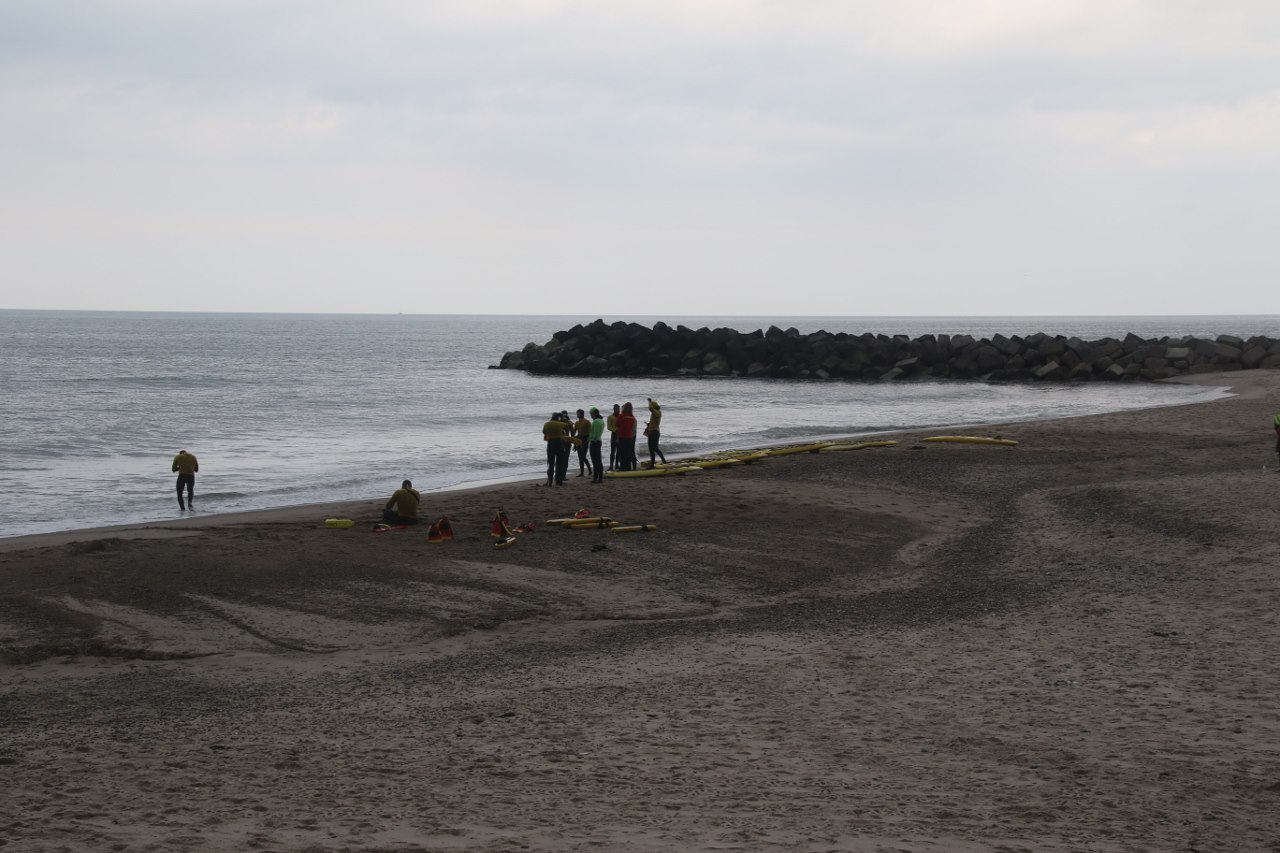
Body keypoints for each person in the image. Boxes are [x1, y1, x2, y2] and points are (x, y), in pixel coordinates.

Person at [543, 411, 570, 486]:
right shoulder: (560, 424)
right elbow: (567, 425)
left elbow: (544, 432)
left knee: (551, 463)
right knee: (559, 463)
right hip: (559, 443)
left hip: (550, 444)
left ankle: (550, 481)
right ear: (558, 418)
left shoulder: (546, 424)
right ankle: (559, 481)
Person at [644, 397, 667, 467]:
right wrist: (649, 424)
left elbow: (651, 409)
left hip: (654, 432)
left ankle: (654, 464)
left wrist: (649, 402)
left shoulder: (657, 412)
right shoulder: (656, 413)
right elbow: (655, 422)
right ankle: (662, 461)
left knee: (653, 448)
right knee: (654, 448)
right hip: (654, 432)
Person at [616, 402, 638, 471]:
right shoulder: (633, 417)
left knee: (622, 453)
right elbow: (633, 428)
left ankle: (623, 468)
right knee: (628, 454)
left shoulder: (621, 416)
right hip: (630, 437)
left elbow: (617, 424)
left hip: (622, 436)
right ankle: (628, 468)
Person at [573, 409, 593, 477]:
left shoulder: (587, 422)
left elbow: (590, 433)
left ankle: (590, 470)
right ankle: (582, 473)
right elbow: (574, 433)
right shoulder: (576, 423)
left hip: (585, 440)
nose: (577, 415)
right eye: (577, 413)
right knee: (580, 458)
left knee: (583, 457)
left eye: (578, 413)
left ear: (582, 414)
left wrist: (588, 440)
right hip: (578, 441)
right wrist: (574, 444)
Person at [588, 407, 606, 483]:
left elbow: (594, 434)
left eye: (591, 414)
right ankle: (600, 477)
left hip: (594, 442)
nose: (591, 415)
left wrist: (589, 439)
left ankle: (595, 478)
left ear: (594, 414)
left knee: (595, 461)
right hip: (599, 441)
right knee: (599, 460)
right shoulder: (602, 421)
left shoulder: (595, 422)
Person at [607, 404, 620, 471]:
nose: (618, 410)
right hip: (614, 435)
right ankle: (611, 466)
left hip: (620, 435)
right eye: (616, 409)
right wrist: (615, 430)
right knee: (613, 451)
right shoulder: (610, 417)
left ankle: (616, 465)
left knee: (619, 451)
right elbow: (608, 427)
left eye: (618, 409)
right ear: (614, 409)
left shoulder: (621, 416)